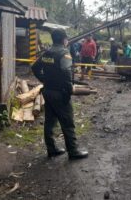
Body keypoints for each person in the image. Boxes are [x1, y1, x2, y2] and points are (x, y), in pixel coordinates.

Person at [31, 29, 88, 160]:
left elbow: (34, 67)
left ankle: (52, 149)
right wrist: (69, 91)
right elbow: (67, 74)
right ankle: (73, 151)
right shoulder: (64, 53)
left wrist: (44, 79)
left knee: (49, 122)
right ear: (64, 40)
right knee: (67, 122)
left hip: (48, 91)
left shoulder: (47, 52)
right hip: (60, 94)